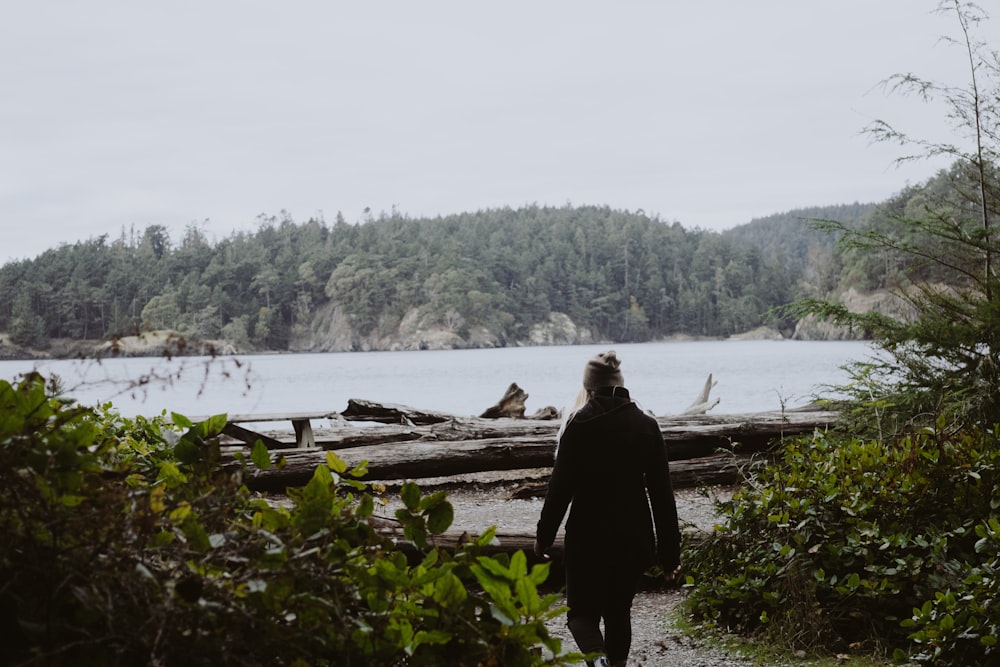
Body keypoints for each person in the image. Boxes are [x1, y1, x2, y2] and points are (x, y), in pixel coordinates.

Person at [534, 350, 681, 667]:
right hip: (633, 538)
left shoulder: (580, 425)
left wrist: (543, 536)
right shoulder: (646, 426)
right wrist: (670, 556)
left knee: (580, 614)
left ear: (590, 386)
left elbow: (559, 490)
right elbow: (662, 496)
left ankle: (597, 660)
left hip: (588, 537)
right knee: (618, 613)